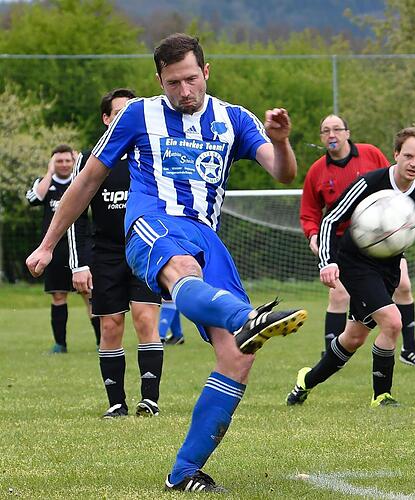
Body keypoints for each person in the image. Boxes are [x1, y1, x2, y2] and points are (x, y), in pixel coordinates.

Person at [26, 33, 308, 493]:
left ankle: (184, 472)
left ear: (206, 72)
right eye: (173, 82)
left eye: (191, 79)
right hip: (152, 223)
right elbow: (86, 181)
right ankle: (246, 317)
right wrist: (47, 244)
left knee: (237, 355)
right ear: (159, 80)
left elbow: (283, 172)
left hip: (207, 236)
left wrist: (281, 141)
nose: (184, 90)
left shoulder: (234, 118)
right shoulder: (137, 115)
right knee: (183, 272)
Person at [287, 124, 415, 408]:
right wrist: (328, 262)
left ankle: (306, 381)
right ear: (395, 154)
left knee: (353, 338)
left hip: (389, 268)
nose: (414, 163)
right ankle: (382, 395)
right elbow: (331, 219)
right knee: (393, 322)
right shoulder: (370, 183)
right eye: (408, 156)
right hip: (356, 263)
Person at [71, 88, 164, 419]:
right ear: (106, 118)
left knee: (145, 318)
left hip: (144, 247)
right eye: (118, 113)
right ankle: (116, 404)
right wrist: (79, 265)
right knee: (110, 326)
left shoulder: (149, 155)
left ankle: (149, 400)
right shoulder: (90, 160)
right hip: (106, 253)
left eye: (130, 112)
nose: (125, 118)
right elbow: (75, 214)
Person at [25, 144, 100, 353]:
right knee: (58, 295)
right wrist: (49, 173)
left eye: (68, 160)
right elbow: (33, 199)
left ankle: (101, 342)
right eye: (59, 161)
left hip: (82, 245)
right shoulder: (45, 183)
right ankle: (60, 344)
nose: (64, 164)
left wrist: (80, 167)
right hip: (55, 250)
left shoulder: (82, 181)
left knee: (88, 293)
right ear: (52, 162)